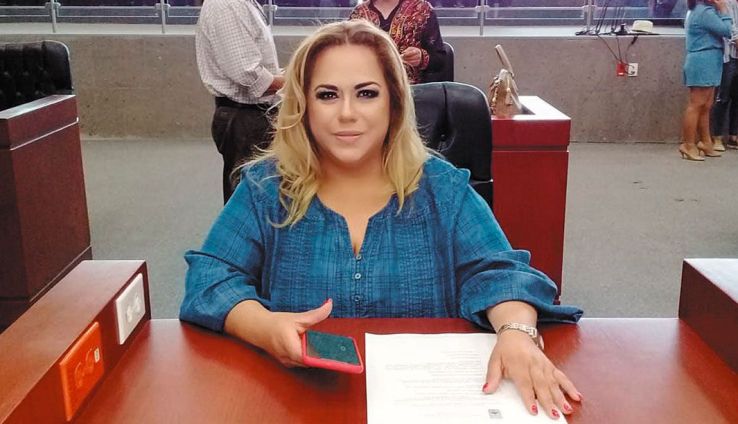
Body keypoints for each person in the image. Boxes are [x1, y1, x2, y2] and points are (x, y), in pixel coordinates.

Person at [180, 20, 583, 420]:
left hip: (428, 405)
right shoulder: (266, 188)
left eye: (367, 93)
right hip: (297, 402)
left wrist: (516, 333)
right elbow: (210, 278)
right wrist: (263, 327)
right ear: (303, 106)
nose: (347, 113)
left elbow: (500, 272)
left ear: (394, 102)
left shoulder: (442, 188)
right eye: (327, 95)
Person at [195, 0, 284, 203]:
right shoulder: (228, 5)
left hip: (251, 116)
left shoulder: (242, 4)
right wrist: (297, 81)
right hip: (245, 119)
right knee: (248, 201)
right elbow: (248, 74)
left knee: (261, 197)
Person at [680, 0, 732, 160]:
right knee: (696, 104)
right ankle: (688, 145)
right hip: (703, 60)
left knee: (706, 105)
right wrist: (724, 10)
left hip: (710, 59)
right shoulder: (704, 12)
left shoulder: (703, 10)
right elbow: (726, 30)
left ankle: (706, 142)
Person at [349, 0, 446, 84]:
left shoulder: (422, 10)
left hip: (412, 91)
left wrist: (421, 58)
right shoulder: (358, 14)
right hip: (367, 88)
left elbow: (440, 60)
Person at [709, 0, 738, 152]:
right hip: (728, 55)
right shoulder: (726, 2)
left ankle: (734, 135)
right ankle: (717, 136)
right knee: (723, 97)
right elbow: (729, 29)